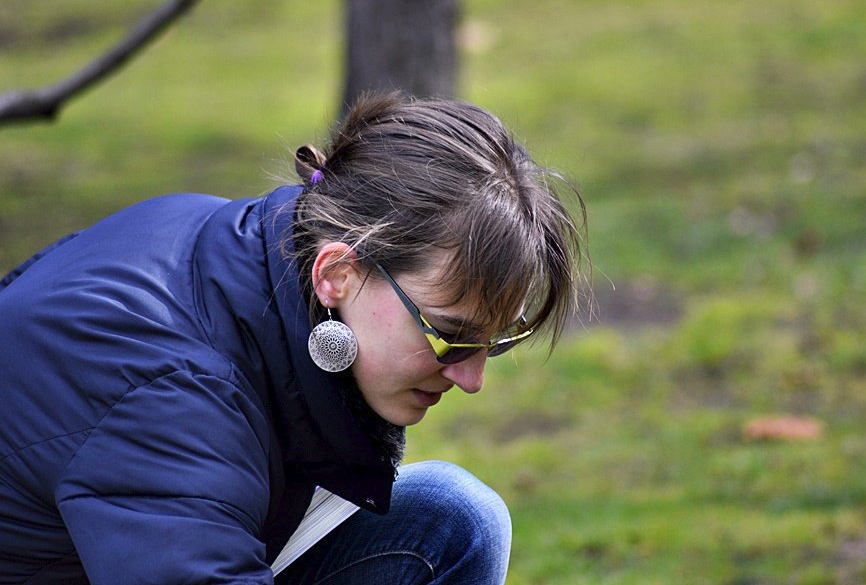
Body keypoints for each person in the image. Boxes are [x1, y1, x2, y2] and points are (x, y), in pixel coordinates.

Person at [0, 91, 583, 584]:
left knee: (453, 518)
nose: (472, 377)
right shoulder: (175, 400)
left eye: (494, 342)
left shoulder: (256, 250)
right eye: (450, 336)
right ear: (337, 273)